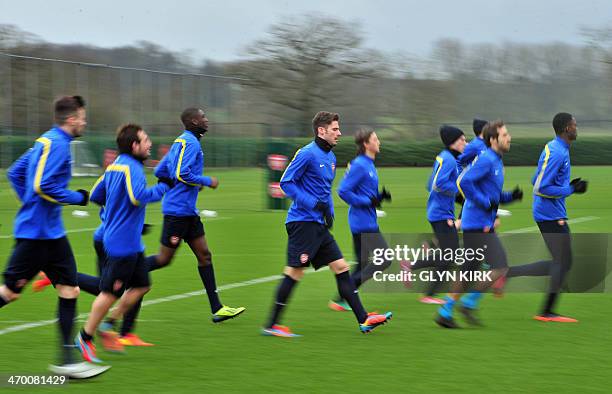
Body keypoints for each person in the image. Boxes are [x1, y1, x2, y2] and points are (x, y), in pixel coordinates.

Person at [2, 95, 109, 378]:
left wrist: (28, 203)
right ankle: (66, 359)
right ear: (71, 119)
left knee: (69, 289)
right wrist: (79, 198)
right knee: (10, 293)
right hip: (36, 234)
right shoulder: (59, 145)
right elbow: (41, 186)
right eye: (83, 117)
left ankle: (66, 361)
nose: (85, 122)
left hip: (51, 233)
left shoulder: (44, 140)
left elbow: (15, 173)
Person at [262, 111, 392, 337]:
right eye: (335, 129)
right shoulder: (306, 154)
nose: (339, 133)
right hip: (302, 223)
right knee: (294, 272)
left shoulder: (331, 158)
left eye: (338, 129)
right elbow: (286, 183)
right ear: (321, 131)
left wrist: (328, 212)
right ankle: (272, 325)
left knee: (341, 267)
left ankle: (364, 320)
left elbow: (325, 191)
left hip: (318, 225)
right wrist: (313, 204)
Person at [75, 124, 171, 363]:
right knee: (109, 293)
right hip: (121, 243)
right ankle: (85, 338)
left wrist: (111, 214)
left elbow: (96, 195)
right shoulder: (132, 168)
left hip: (132, 242)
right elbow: (138, 197)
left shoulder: (115, 166)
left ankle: (109, 324)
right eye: (146, 140)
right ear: (134, 145)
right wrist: (164, 187)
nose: (149, 144)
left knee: (142, 285)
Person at [147, 107, 245, 323]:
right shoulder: (189, 142)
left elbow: (160, 171)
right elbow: (182, 173)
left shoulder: (180, 142)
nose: (207, 120)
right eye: (203, 117)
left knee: (204, 255)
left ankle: (217, 308)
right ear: (193, 121)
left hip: (188, 212)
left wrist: (184, 185)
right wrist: (206, 181)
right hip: (177, 212)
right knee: (164, 259)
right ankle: (123, 271)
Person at [435, 120, 523, 328]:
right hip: (477, 224)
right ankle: (466, 304)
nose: (509, 137)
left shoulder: (496, 160)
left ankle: (446, 311)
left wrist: (510, 196)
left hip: (482, 222)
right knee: (499, 266)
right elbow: (463, 182)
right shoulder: (486, 159)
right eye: (504, 135)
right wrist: (485, 203)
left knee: (469, 270)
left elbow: (492, 194)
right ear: (493, 140)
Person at [502, 113, 587, 322]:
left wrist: (568, 185)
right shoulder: (558, 152)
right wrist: (570, 189)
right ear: (567, 128)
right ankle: (546, 312)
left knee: (562, 262)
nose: (577, 128)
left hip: (549, 213)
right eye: (575, 125)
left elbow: (535, 178)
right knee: (563, 262)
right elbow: (540, 187)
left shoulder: (554, 147)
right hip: (550, 215)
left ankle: (507, 273)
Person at [329, 128, 392, 312]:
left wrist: (378, 198)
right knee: (385, 259)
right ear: (366, 144)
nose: (378, 141)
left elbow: (365, 193)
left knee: (363, 263)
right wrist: (367, 201)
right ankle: (348, 291)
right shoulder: (360, 164)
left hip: (366, 220)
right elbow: (343, 191)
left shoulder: (369, 164)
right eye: (375, 139)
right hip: (362, 223)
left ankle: (340, 300)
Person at [406, 126, 466, 304]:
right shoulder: (448, 159)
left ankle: (412, 267)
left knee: (449, 253)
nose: (466, 142)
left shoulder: (444, 156)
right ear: (453, 142)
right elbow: (438, 185)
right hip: (441, 214)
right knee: (450, 255)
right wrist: (460, 191)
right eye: (462, 139)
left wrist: (455, 198)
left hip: (438, 211)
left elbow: (429, 184)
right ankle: (428, 294)